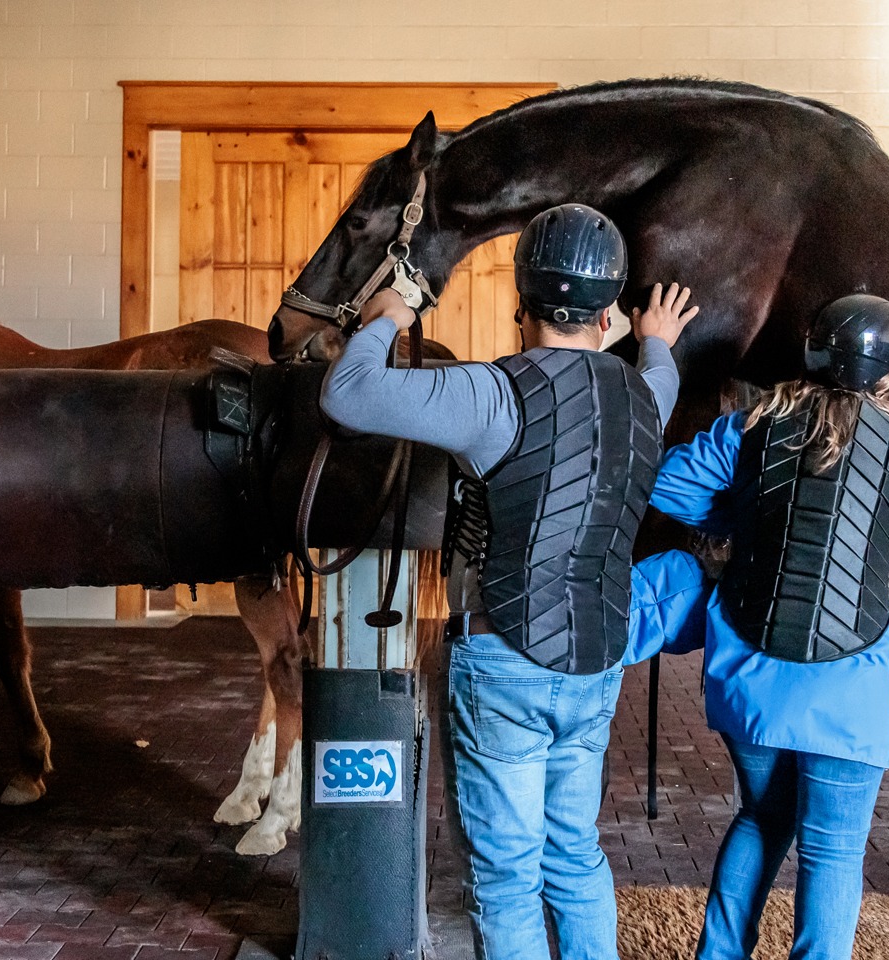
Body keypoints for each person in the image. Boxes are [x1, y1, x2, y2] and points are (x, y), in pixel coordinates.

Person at [321, 203, 694, 960]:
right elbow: (658, 363)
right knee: (575, 857)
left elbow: (346, 393)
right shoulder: (648, 396)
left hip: (502, 661)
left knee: (505, 880)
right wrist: (655, 339)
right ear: (608, 312)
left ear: (518, 300)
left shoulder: (489, 394)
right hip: (596, 659)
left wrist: (388, 313)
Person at [642, 294, 889, 960]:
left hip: (752, 671)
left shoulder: (749, 427)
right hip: (850, 689)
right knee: (832, 848)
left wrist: (751, 515)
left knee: (761, 817)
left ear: (810, 352)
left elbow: (670, 484)